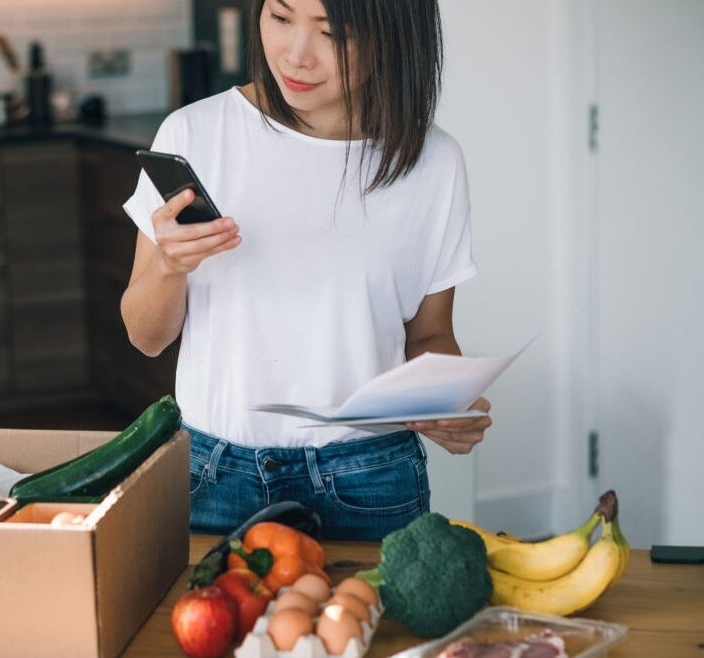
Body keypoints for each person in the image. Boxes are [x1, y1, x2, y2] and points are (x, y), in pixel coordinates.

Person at [121, 0, 492, 541]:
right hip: (214, 474)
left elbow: (431, 334)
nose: (296, 55)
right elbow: (145, 336)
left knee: (381, 628)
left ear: (395, 35)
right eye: (279, 17)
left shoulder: (433, 163)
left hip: (370, 477)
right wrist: (169, 267)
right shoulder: (195, 134)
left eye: (332, 33)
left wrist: (446, 402)